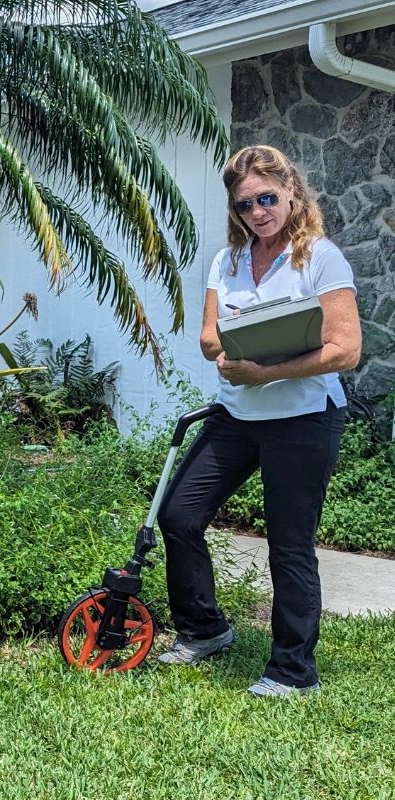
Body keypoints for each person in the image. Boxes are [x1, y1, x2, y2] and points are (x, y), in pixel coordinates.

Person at [155, 145, 362, 698]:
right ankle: (205, 631)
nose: (258, 211)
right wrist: (236, 355)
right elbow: (207, 339)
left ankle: (293, 671)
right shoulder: (228, 262)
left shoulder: (320, 258)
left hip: (303, 419)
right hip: (237, 414)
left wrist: (266, 367)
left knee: (289, 544)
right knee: (179, 515)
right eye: (245, 204)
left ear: (291, 192)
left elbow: (345, 349)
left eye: (267, 198)